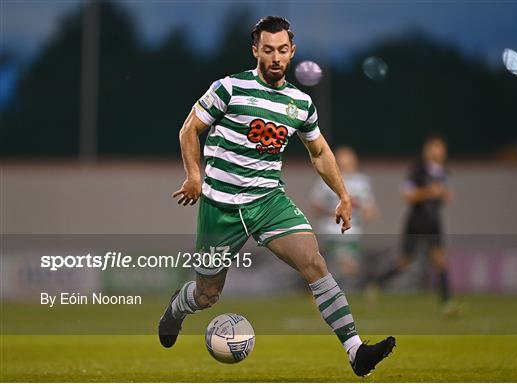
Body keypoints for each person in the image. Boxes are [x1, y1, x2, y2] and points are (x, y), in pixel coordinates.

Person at [158, 16, 395, 376]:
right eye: (268, 50)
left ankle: (355, 351)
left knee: (315, 263)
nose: (275, 57)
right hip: (220, 207)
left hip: (268, 202)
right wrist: (194, 174)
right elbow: (190, 129)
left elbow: (319, 152)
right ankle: (177, 309)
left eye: (282, 50)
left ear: (292, 52)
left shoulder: (300, 103)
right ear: (255, 50)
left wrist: (343, 195)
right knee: (208, 295)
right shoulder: (229, 88)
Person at [377, 134, 458, 315]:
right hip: (416, 221)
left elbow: (446, 195)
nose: (439, 151)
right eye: (435, 147)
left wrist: (444, 194)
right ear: (427, 150)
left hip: (434, 221)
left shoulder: (443, 172)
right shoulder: (418, 169)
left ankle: (446, 302)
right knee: (405, 261)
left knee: (440, 261)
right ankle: (377, 283)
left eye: (441, 147)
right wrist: (430, 192)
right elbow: (407, 195)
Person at [311, 146, 378, 285]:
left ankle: (339, 293)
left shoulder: (362, 182)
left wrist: (361, 208)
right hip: (332, 230)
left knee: (348, 269)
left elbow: (370, 210)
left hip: (353, 232)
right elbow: (316, 206)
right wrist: (333, 210)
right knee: (343, 266)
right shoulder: (327, 179)